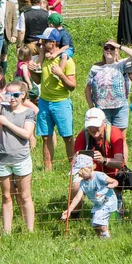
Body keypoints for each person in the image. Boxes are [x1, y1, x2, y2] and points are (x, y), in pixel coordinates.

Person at [36, 28, 76, 171]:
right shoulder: (44, 57)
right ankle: (48, 168)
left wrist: (61, 75)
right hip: (44, 102)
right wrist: (32, 70)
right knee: (46, 137)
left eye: (44, 41)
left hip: (61, 103)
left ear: (53, 42)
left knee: (68, 137)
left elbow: (72, 86)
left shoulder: (66, 60)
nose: (41, 44)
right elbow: (38, 80)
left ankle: (73, 168)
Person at [0, 80, 35, 233]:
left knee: (25, 196)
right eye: (8, 94)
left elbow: (27, 134)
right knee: (6, 197)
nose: (12, 98)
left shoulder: (28, 112)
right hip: (3, 160)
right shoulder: (3, 109)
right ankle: (7, 232)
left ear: (23, 95)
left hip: (21, 159)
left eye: (15, 94)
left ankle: (29, 231)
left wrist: (6, 123)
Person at [63, 153, 119, 238]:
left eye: (80, 172)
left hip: (108, 201)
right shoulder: (83, 183)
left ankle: (106, 238)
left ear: (89, 168)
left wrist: (112, 185)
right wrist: (69, 210)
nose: (79, 175)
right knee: (95, 224)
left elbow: (114, 181)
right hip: (98, 204)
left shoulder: (99, 176)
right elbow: (78, 197)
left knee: (100, 221)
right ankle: (101, 238)